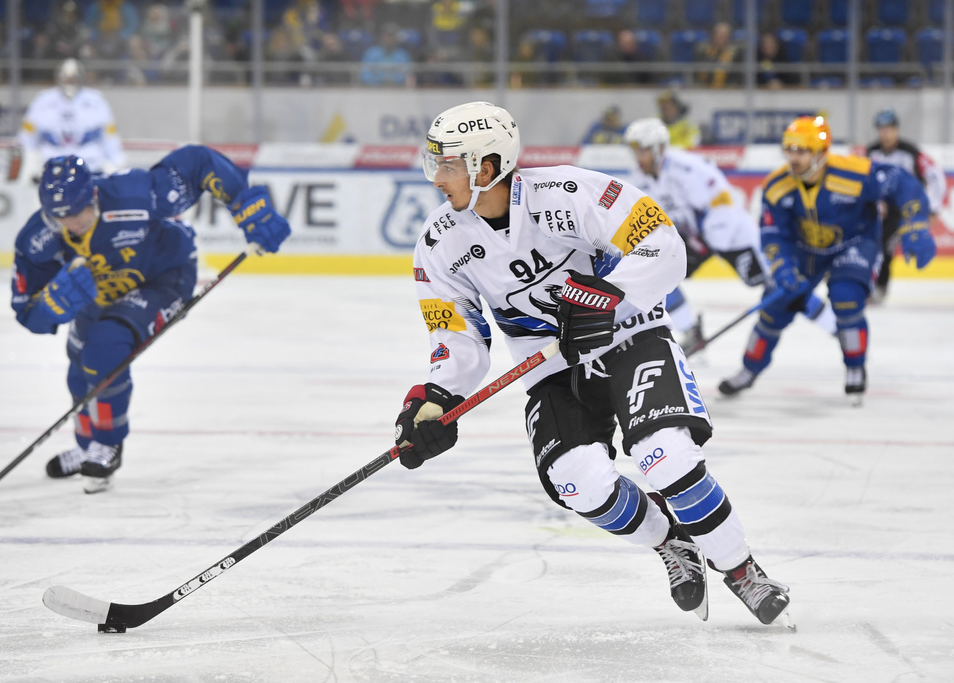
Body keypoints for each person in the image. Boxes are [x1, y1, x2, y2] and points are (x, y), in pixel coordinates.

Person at [395, 101, 792, 626]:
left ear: (484, 167)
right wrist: (435, 398)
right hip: (550, 371)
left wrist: (604, 297)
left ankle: (741, 569)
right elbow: (457, 335)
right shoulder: (438, 243)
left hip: (632, 339)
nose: (437, 177)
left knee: (665, 456)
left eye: (447, 165)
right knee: (577, 482)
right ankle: (670, 541)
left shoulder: (570, 191)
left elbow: (663, 246)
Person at [11, 147, 291, 492]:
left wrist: (244, 202)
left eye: (79, 214)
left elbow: (199, 163)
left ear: (94, 196)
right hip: (102, 291)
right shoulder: (36, 240)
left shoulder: (135, 194)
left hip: (164, 278)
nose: (71, 225)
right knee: (79, 368)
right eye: (60, 218)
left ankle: (107, 445)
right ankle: (86, 448)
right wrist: (49, 307)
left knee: (105, 347)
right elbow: (28, 312)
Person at [718, 116, 935, 403]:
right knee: (774, 308)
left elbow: (902, 183)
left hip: (854, 243)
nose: (794, 158)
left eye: (802, 150)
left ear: (821, 153)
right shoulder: (777, 186)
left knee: (846, 298)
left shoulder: (855, 172)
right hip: (804, 250)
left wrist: (917, 222)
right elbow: (773, 235)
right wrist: (782, 268)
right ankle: (748, 369)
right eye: (790, 150)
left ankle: (855, 368)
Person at [623, 117, 836, 352]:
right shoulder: (640, 177)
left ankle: (836, 327)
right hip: (696, 238)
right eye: (635, 150)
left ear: (659, 148)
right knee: (658, 272)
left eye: (642, 150)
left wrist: (710, 237)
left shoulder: (687, 168)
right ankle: (690, 331)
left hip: (732, 235)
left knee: (782, 286)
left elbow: (723, 201)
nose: (638, 157)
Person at [865, 108, 946, 303]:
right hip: (878, 210)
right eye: (881, 129)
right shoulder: (871, 151)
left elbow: (935, 177)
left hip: (904, 210)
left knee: (884, 244)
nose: (885, 133)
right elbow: (864, 180)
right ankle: (867, 285)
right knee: (868, 244)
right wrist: (875, 201)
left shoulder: (911, 152)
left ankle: (880, 287)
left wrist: (932, 208)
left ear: (896, 130)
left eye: (889, 129)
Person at [19, 59, 126, 182]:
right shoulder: (43, 100)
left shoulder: (96, 101)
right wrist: (30, 167)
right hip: (53, 170)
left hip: (90, 168)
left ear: (80, 79)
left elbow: (109, 136)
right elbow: (28, 137)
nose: (69, 83)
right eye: (67, 79)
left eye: (73, 79)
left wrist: (117, 163)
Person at [696, 22, 741, 88]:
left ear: (729, 37)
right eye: (718, 34)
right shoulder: (704, 52)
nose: (721, 37)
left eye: (724, 35)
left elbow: (738, 77)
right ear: (713, 36)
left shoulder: (737, 54)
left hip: (730, 91)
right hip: (707, 90)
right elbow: (698, 74)